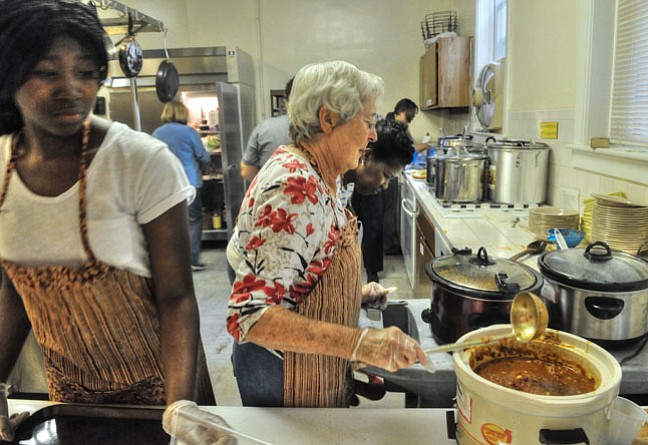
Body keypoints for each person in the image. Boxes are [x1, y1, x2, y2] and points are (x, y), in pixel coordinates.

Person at [0, 1, 214, 440]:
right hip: (73, 399)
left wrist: (182, 408)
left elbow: (176, 297)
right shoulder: (1, 167)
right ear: (10, 76)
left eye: (85, 71)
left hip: (165, 394)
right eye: (47, 72)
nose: (72, 88)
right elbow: (14, 291)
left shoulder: (140, 161)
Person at [226, 60, 434, 409]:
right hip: (284, 379)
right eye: (367, 122)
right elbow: (252, 316)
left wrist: (353, 296)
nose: (372, 135)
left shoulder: (325, 177)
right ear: (328, 120)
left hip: (310, 367)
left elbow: (306, 270)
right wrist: (360, 343)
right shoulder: (293, 184)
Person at [345, 119, 414, 282]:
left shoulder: (345, 187)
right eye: (385, 175)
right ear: (366, 155)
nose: (385, 185)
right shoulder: (322, 184)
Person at [152, 101, 212, 272]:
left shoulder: (157, 132)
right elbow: (203, 156)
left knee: (171, 222)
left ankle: (173, 261)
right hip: (189, 184)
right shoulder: (189, 132)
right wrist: (206, 164)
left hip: (166, 185)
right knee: (193, 220)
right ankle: (192, 259)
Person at [239, 77, 294, 181]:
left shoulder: (265, 128)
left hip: (271, 192)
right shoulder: (326, 129)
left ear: (286, 101)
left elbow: (246, 172)